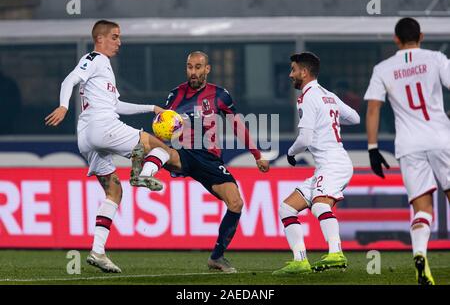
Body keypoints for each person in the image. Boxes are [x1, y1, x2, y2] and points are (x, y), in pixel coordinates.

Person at [45, 20, 174, 273]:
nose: (119, 42)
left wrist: (151, 108)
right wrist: (63, 106)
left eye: (119, 37)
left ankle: (98, 251)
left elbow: (116, 105)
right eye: (114, 37)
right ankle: (143, 174)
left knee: (114, 193)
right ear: (100, 38)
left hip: (88, 138)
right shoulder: (93, 58)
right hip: (103, 128)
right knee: (163, 148)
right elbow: (68, 81)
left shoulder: (104, 68)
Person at [136, 51, 270, 273]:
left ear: (207, 69)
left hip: (209, 158)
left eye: (198, 67)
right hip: (184, 151)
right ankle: (145, 169)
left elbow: (237, 125)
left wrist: (257, 154)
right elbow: (166, 126)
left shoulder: (219, 95)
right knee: (158, 147)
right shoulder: (175, 95)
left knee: (236, 203)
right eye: (190, 67)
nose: (193, 72)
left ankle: (216, 257)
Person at [364, 17, 450, 285]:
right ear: (421, 36)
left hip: (409, 145)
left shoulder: (383, 68)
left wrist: (373, 148)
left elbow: (374, 108)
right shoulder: (435, 59)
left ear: (396, 39)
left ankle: (420, 255)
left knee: (421, 208)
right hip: (441, 137)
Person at [272, 52, 360, 275]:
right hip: (330, 164)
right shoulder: (328, 95)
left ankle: (336, 252)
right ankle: (300, 260)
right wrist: (330, 118)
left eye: (293, 70)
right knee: (287, 208)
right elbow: (355, 118)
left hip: (333, 163)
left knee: (321, 206)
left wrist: (291, 154)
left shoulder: (308, 97)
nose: (291, 75)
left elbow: (305, 140)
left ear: (304, 71)